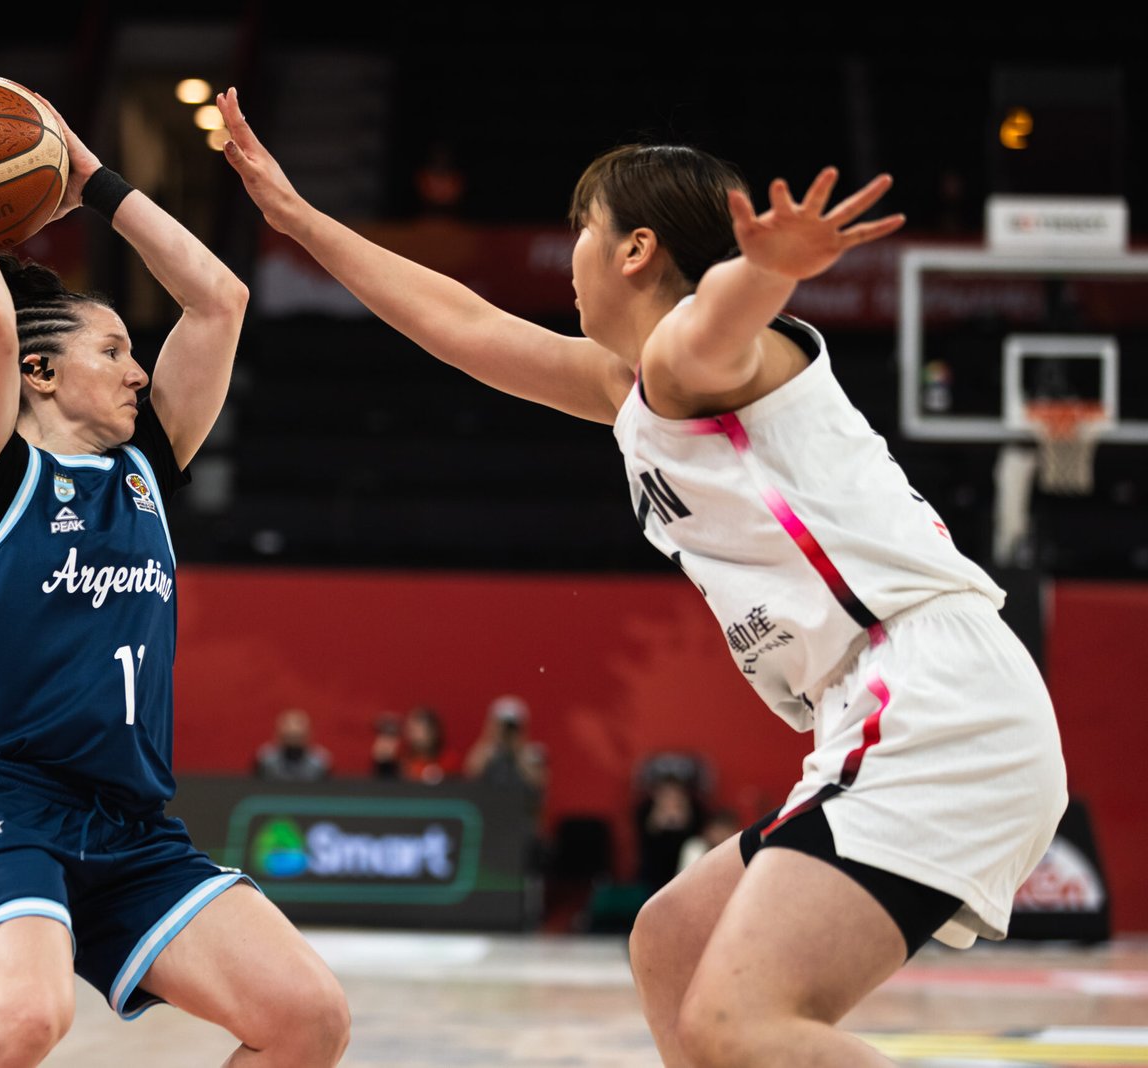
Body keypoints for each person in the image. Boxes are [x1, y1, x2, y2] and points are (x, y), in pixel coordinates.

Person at [216, 87, 1067, 1067]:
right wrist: (296, 217)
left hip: (931, 699)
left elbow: (712, 331)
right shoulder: (634, 387)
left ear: (633, 249)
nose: (570, 248)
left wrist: (762, 273)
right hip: (888, 703)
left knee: (735, 1025)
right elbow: (462, 323)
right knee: (672, 943)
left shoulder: (690, 361)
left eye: (583, 226)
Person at [0, 100, 348, 1068]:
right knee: (19, 1022)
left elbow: (220, 298)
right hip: (19, 803)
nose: (139, 373)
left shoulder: (145, 466)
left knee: (306, 1020)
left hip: (136, 825)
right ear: (41, 371)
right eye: (114, 352)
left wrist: (93, 179)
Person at [462, 694, 547, 791]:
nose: (507, 730)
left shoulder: (532, 753)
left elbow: (538, 783)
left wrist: (518, 749)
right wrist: (491, 738)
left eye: (512, 726)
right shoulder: (487, 750)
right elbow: (471, 773)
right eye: (502, 725)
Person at [253, 708, 333, 782]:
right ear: (277, 735)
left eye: (297, 736)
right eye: (288, 736)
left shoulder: (321, 762)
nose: (293, 741)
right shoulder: (265, 760)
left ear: (309, 735)